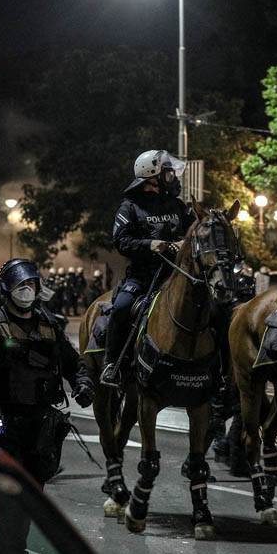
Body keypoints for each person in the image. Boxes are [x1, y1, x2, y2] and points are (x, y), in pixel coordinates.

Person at [0, 258, 93, 554]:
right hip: (3, 424)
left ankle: (12, 549)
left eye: (30, 284)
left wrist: (82, 384)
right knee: (9, 498)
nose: (26, 290)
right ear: (7, 289)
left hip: (40, 427)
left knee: (31, 497)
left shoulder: (49, 324)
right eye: (20, 285)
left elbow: (73, 363)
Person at [99, 149, 193, 388]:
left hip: (176, 275)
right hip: (143, 277)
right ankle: (112, 365)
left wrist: (186, 242)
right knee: (121, 307)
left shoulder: (177, 205)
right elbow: (121, 241)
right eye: (168, 173)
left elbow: (196, 232)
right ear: (152, 176)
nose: (173, 177)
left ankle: (222, 374)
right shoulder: (130, 207)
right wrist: (150, 244)